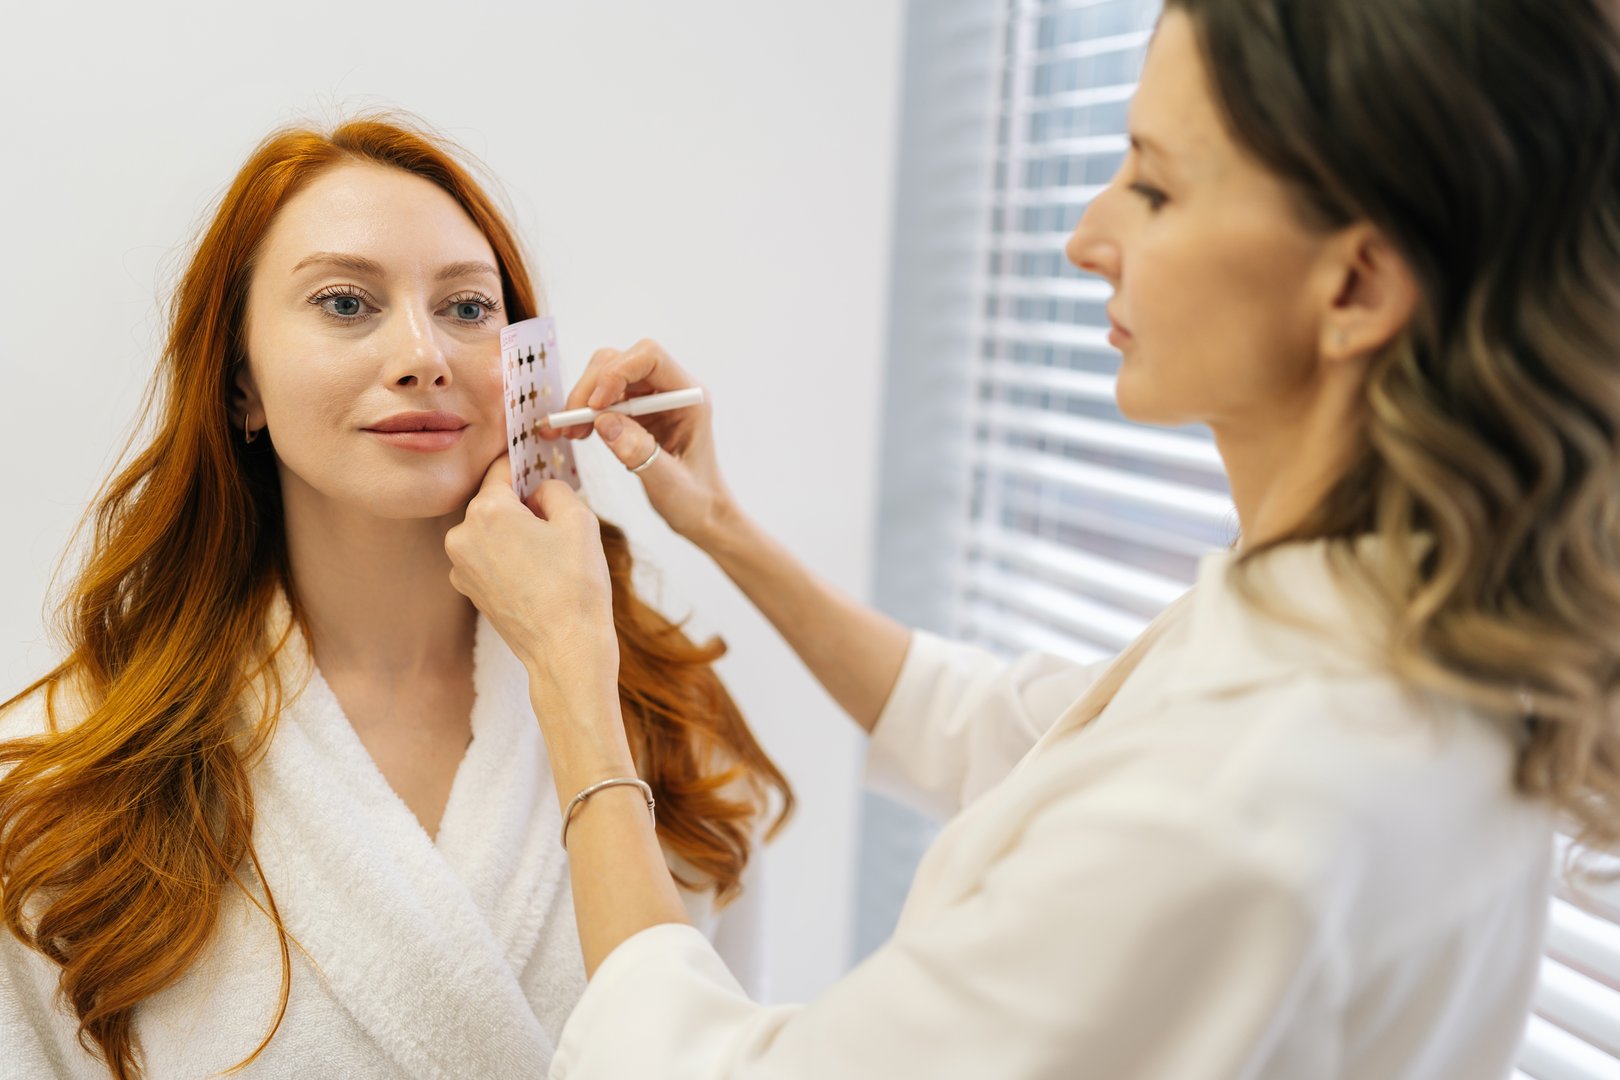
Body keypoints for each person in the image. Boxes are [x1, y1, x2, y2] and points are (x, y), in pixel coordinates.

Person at [443, 0, 1620, 1076]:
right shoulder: (1400, 628)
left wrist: (569, 667)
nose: (1087, 236)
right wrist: (726, 530)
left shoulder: (1249, 792)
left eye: (1153, 188)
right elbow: (1000, 725)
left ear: (1357, 285)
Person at [0, 117, 792, 1079]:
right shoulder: (57, 799)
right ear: (240, 383)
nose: (424, 354)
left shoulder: (673, 730)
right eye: (344, 303)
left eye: (467, 309)